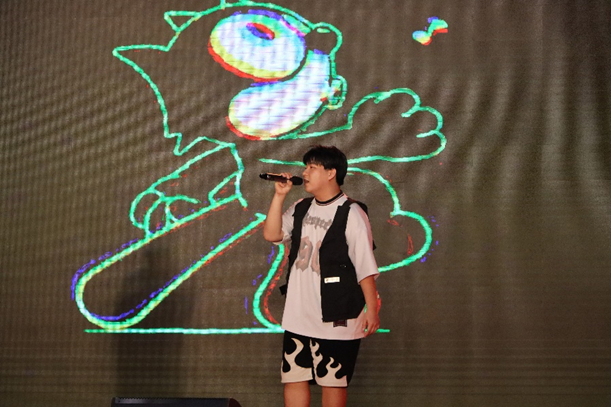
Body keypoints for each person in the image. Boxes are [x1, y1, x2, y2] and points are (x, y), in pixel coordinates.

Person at [263, 145, 380, 407]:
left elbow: (365, 265)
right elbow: (272, 234)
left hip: (336, 314)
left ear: (331, 173)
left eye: (312, 167)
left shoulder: (352, 212)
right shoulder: (301, 207)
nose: (305, 173)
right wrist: (279, 196)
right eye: (305, 167)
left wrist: (372, 309)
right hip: (298, 314)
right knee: (294, 378)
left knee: (333, 381)